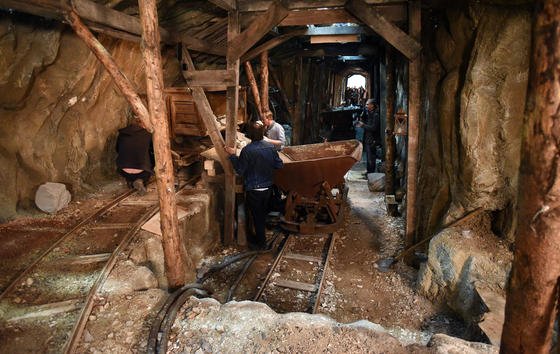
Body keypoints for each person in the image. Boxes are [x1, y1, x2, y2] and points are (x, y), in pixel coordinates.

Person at [226, 120, 284, 249]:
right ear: (263, 134)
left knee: (257, 216)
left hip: (254, 189)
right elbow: (279, 165)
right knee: (262, 214)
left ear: (250, 135)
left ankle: (262, 244)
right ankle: (262, 237)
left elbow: (240, 170)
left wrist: (233, 156)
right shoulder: (270, 147)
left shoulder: (247, 151)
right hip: (268, 188)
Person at [116, 117, 154, 195]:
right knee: (150, 160)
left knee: (127, 163)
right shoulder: (147, 134)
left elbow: (117, 149)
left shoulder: (122, 133)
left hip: (123, 169)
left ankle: (131, 181)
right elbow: (153, 150)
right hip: (142, 170)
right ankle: (141, 180)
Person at [356, 98, 381, 174]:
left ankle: (371, 174)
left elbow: (373, 128)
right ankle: (368, 173)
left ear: (372, 105)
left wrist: (363, 125)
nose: (366, 106)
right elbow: (362, 119)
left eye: (367, 104)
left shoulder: (375, 115)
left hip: (372, 139)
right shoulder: (368, 114)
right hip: (367, 138)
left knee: (371, 158)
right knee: (368, 157)